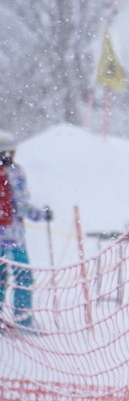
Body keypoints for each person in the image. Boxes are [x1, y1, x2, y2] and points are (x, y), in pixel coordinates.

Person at [0, 130, 51, 331]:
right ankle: (23, 321)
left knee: (1, 280)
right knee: (23, 279)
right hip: (13, 238)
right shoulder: (14, 172)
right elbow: (21, 205)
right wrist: (41, 215)